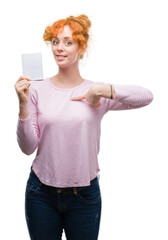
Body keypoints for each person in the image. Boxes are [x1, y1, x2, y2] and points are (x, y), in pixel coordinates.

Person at [14, 14, 153, 240]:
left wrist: (102, 90)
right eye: (56, 42)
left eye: (68, 42)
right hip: (41, 194)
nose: (60, 48)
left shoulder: (95, 93)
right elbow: (28, 147)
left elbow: (146, 97)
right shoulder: (37, 89)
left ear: (82, 46)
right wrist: (22, 104)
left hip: (85, 196)